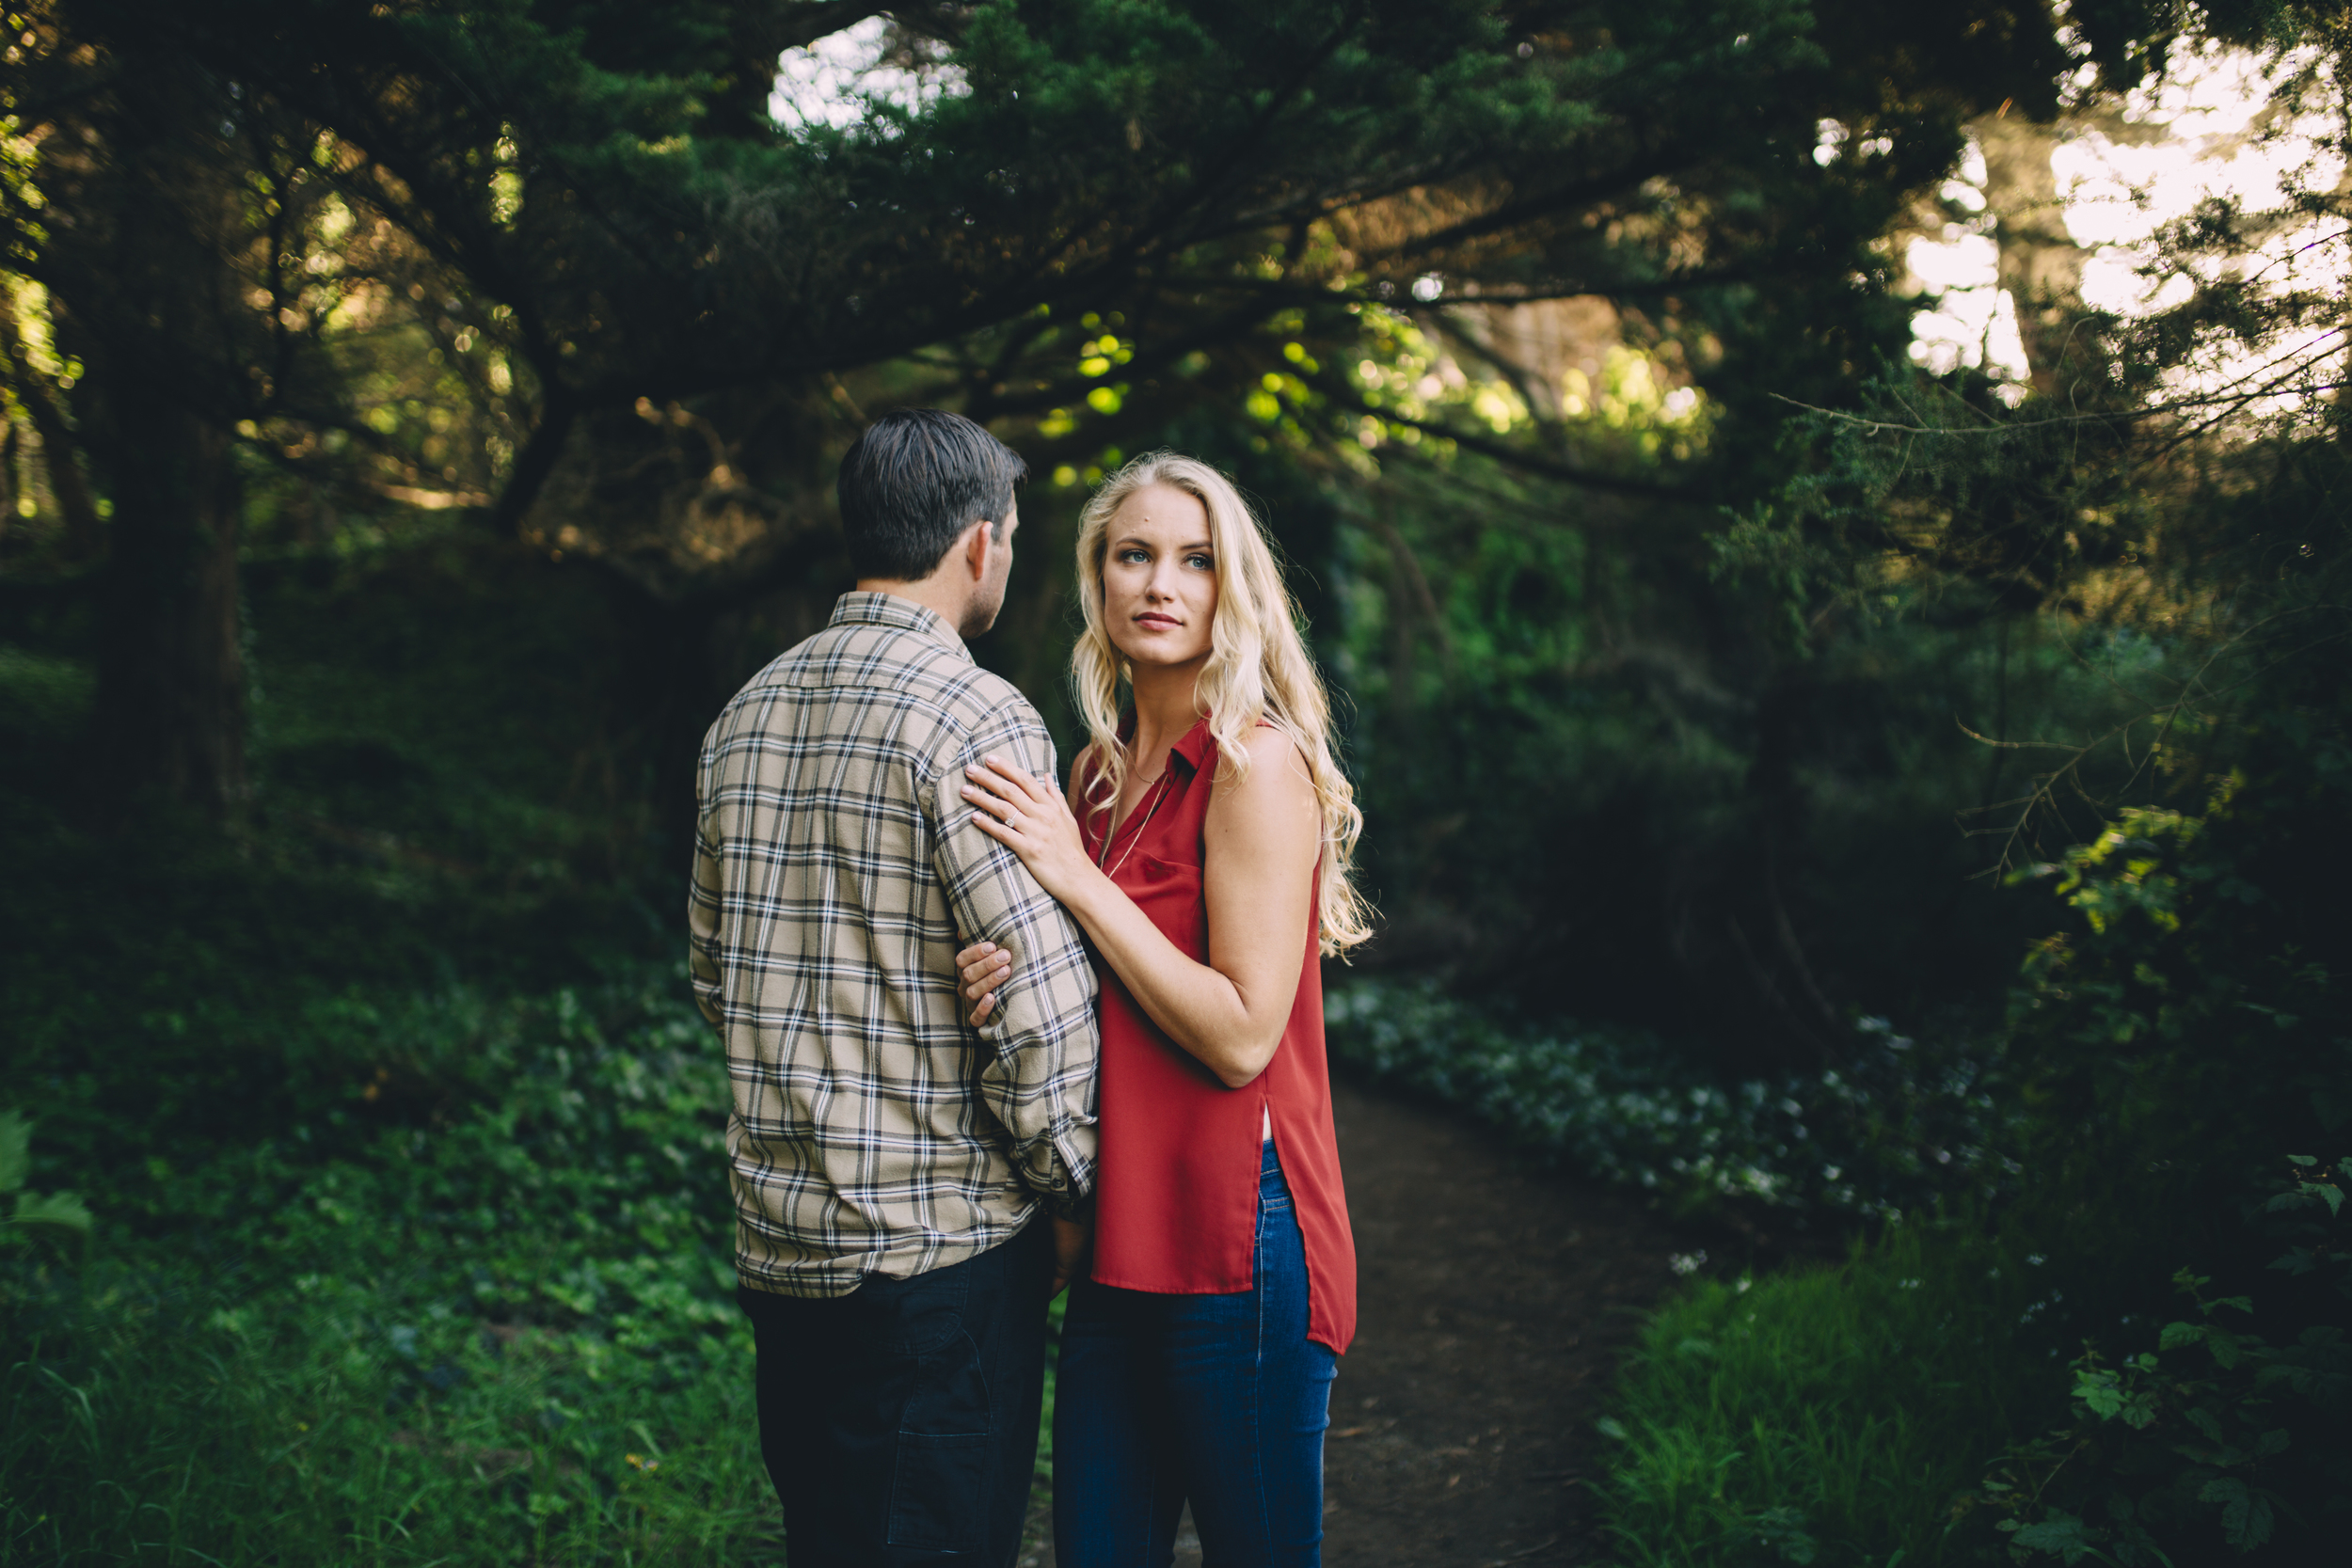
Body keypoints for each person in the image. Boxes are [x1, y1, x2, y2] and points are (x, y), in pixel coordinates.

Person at [688, 408, 1101, 1567]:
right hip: (938, 1261)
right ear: (979, 544)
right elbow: (1041, 1010)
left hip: (783, 1251)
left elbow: (717, 978)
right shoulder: (974, 711)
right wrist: (1071, 1187)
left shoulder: (743, 716)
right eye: (1013, 537)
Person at [951, 451, 1373, 1567]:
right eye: (1133, 554)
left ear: (1233, 588)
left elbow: (1240, 1033)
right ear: (1096, 580)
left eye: (1195, 560)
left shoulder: (1253, 765)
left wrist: (1074, 881)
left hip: (1241, 1237)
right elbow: (1100, 994)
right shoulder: (1091, 778)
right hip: (1112, 1240)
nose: (1162, 583)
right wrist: (1001, 980)